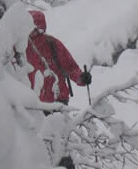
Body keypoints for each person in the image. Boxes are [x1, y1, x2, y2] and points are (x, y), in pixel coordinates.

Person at [26, 10, 91, 169]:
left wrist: (81, 78)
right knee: (38, 143)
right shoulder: (20, 46)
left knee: (60, 142)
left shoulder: (52, 44)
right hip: (34, 104)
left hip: (57, 101)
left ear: (40, 27)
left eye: (33, 27)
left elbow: (70, 67)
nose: (31, 31)